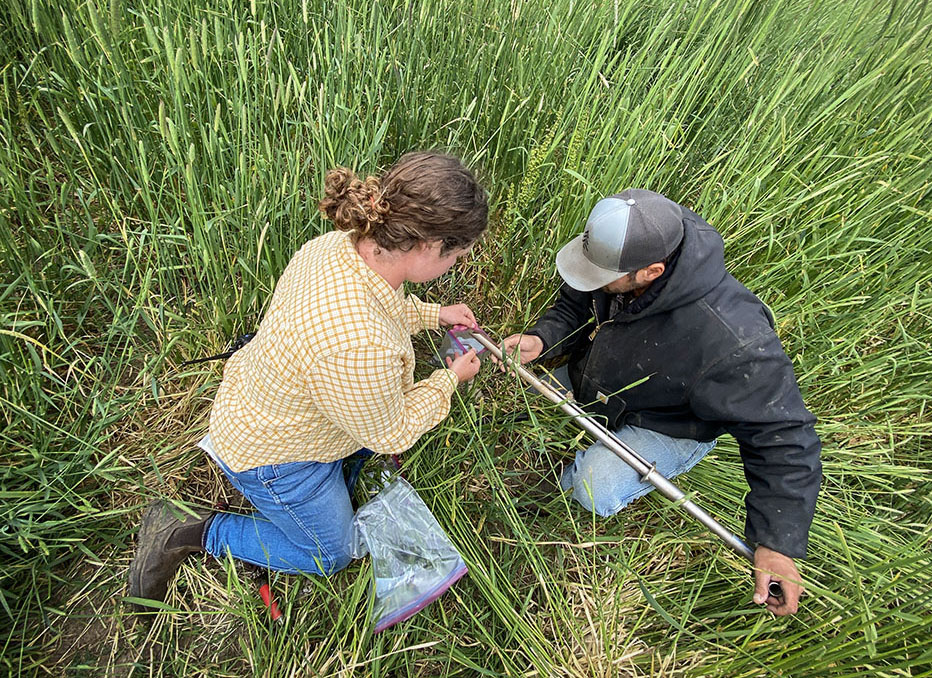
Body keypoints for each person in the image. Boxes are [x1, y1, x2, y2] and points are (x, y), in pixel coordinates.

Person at [129, 151, 488, 610]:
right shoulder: (361, 346)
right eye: (455, 255)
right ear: (427, 244)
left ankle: (329, 477)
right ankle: (188, 530)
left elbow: (381, 308)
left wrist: (433, 314)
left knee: (360, 452)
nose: (454, 265)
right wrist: (448, 380)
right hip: (276, 458)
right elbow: (391, 430)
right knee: (328, 554)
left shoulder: (339, 247)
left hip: (266, 401)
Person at [500, 189, 821, 616]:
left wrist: (777, 543)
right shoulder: (633, 243)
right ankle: (584, 411)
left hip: (670, 422)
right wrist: (542, 339)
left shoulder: (735, 340)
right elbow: (576, 298)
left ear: (652, 271)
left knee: (593, 486)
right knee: (528, 400)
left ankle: (584, 474)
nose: (591, 279)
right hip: (608, 377)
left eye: (601, 275)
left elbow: (784, 436)